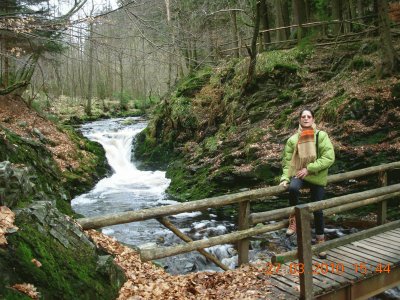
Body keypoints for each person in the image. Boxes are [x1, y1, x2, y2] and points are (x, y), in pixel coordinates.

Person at [279, 108, 335, 258]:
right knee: (293, 188)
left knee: (317, 208)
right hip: (299, 173)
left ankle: (320, 241)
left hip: (316, 175)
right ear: (299, 120)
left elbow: (329, 158)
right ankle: (294, 219)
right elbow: (288, 163)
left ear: (313, 119)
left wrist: (309, 169)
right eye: (303, 116)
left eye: (308, 116)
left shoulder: (321, 136)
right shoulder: (292, 140)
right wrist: (284, 178)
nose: (305, 118)